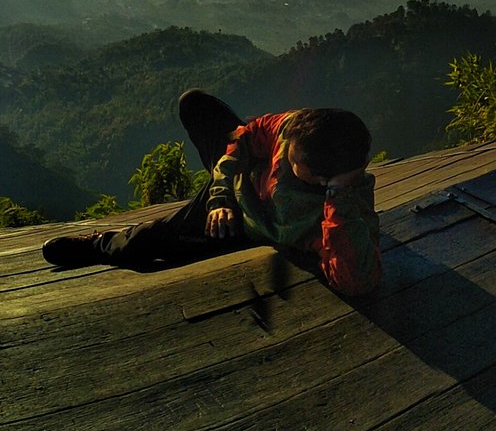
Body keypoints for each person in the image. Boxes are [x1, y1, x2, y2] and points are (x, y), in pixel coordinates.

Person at [42, 89, 382, 296]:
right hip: (231, 194)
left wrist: (339, 198)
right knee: (195, 103)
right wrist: (221, 197)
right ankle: (215, 195)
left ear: (321, 178)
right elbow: (247, 136)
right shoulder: (296, 129)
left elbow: (356, 281)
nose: (286, 153)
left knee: (152, 242)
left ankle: (101, 244)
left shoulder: (343, 211)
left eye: (293, 161)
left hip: (244, 227)